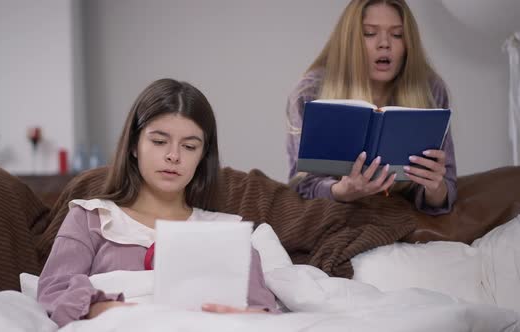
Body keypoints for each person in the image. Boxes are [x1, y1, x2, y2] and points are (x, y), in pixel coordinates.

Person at [37, 78, 277, 327]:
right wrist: (104, 309)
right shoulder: (91, 217)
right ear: (134, 145)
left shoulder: (227, 232)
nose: (173, 156)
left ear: (202, 156)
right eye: (159, 142)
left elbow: (265, 315)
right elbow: (53, 291)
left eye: (189, 146)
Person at [286, 0, 457, 215]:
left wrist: (434, 187)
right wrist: (341, 191)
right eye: (369, 33)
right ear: (350, 41)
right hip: (337, 218)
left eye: (397, 34)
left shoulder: (430, 89)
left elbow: (446, 191)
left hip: (401, 218)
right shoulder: (310, 91)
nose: (384, 43)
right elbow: (300, 186)